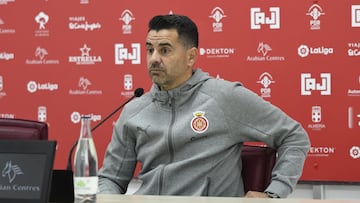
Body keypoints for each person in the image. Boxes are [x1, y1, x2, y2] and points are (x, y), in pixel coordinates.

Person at [98, 14, 310, 198]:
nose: (154, 59)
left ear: (191, 57)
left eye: (164, 50)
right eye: (149, 50)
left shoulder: (224, 98)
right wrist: (105, 196)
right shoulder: (134, 111)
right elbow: (111, 179)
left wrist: (274, 193)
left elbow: (294, 136)